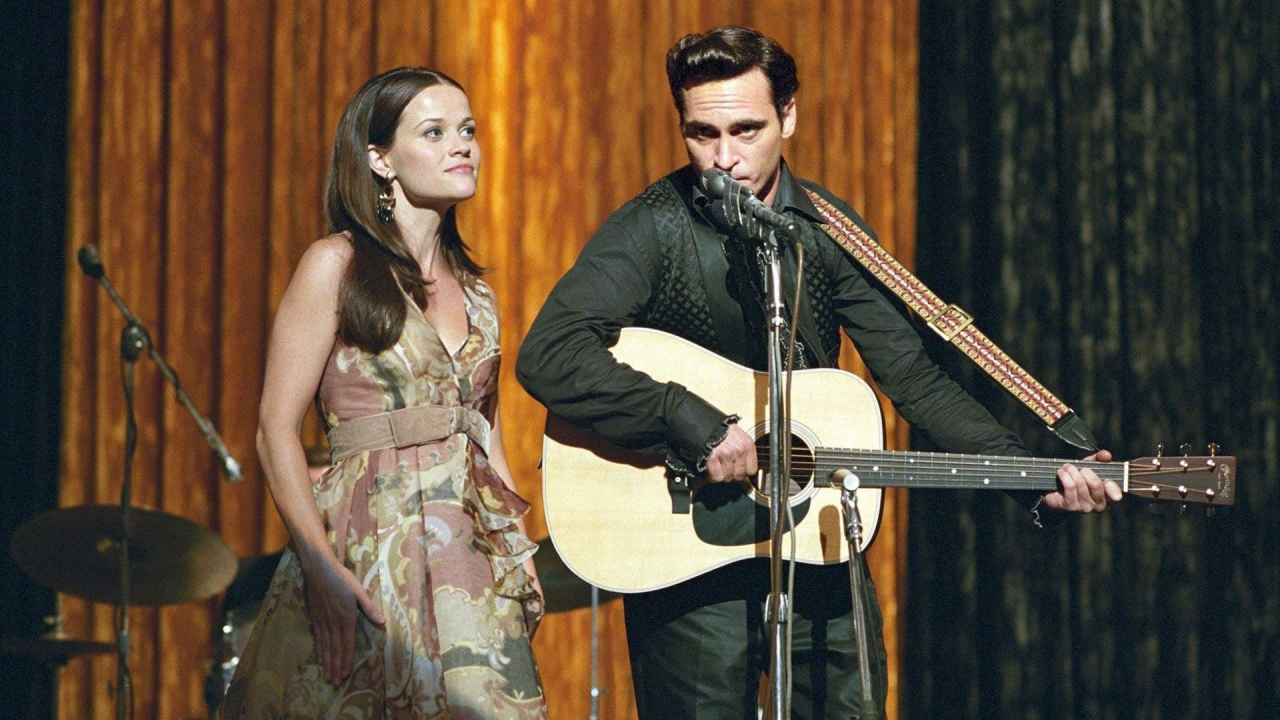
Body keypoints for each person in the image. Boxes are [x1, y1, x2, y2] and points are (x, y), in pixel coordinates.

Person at [515, 27, 1120, 720]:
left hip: (814, 540)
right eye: (702, 134)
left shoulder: (826, 228)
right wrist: (694, 424)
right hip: (686, 555)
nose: (724, 159)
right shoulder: (654, 226)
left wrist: (1035, 482)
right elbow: (550, 351)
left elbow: (914, 380)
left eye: (746, 130)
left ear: (789, 117)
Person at [220, 67, 547, 719]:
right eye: (435, 132)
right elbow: (273, 429)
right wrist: (321, 569)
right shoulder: (334, 265)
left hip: (467, 558)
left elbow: (486, 432)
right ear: (379, 159)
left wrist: (519, 548)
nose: (462, 146)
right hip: (364, 547)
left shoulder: (479, 293)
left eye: (468, 131)